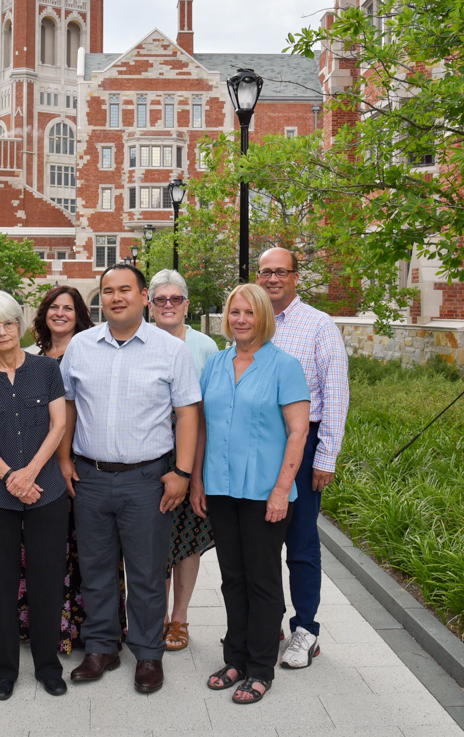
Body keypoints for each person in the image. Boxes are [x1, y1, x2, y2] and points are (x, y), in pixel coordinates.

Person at [58, 264, 201, 694]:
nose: (116, 297)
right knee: (97, 568)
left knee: (146, 571)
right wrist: (64, 459)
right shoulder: (81, 347)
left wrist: (182, 472)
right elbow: (66, 406)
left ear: (144, 296)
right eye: (107, 291)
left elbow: (188, 413)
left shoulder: (170, 349)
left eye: (125, 289)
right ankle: (101, 647)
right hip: (90, 477)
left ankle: (148, 653)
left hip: (148, 479)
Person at [195, 283, 311, 704]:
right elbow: (203, 426)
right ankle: (235, 658)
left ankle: (261, 667)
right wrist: (196, 481)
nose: (241, 319)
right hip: (222, 489)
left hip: (266, 492)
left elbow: (298, 433)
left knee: (262, 580)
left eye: (249, 312)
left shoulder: (285, 366)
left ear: (263, 317)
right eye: (235, 312)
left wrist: (283, 490)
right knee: (232, 578)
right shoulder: (215, 364)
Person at [0, 291, 69, 700]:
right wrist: (11, 476)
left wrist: (30, 473)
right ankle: (4, 670)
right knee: (2, 582)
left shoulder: (46, 369)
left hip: (46, 491)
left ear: (21, 324)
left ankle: (48, 666)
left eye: (9, 323)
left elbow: (58, 425)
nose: (2, 331)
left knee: (47, 581)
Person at [255, 247, 349, 669]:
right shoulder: (253, 323)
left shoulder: (319, 325)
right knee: (260, 541)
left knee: (301, 543)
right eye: (265, 272)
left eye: (281, 272)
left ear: (295, 277)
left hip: (304, 443)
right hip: (258, 445)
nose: (273, 279)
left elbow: (336, 395)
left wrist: (325, 456)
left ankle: (305, 630)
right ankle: (267, 621)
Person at [18, 285, 97, 652]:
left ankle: (80, 627)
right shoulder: (32, 356)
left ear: (79, 314)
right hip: (36, 464)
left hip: (76, 461)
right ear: (44, 312)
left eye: (68, 307)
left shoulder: (89, 352)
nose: (60, 313)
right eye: (54, 307)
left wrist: (65, 459)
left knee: (80, 544)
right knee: (41, 547)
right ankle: (41, 622)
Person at [146, 270, 219, 652]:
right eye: (161, 300)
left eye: (176, 299)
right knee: (154, 539)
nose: (169, 306)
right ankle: (155, 615)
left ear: (187, 305)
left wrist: (196, 475)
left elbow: (206, 416)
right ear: (151, 304)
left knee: (188, 538)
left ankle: (179, 618)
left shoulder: (206, 347)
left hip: (192, 452)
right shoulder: (138, 341)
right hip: (149, 453)